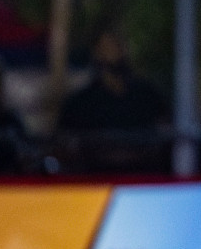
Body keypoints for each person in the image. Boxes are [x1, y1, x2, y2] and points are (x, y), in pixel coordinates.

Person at [57, 29, 169, 172]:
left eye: (118, 45)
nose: (115, 51)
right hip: (96, 181)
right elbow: (63, 142)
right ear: (96, 53)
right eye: (107, 46)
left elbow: (166, 131)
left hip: (142, 179)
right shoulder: (81, 102)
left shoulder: (147, 94)